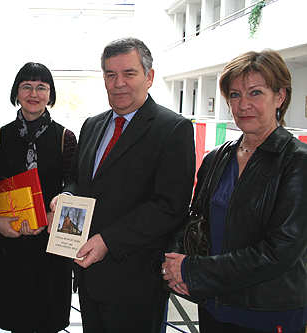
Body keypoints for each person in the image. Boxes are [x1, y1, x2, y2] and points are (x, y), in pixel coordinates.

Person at [50, 37, 196, 332]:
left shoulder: (173, 129)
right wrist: (66, 197)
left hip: (136, 284)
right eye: (110, 74)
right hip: (89, 278)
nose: (119, 83)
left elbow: (170, 207)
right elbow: (79, 179)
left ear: (149, 77)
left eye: (129, 73)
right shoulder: (92, 124)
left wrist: (108, 241)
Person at [162, 49, 307, 333]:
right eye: (235, 95)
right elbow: (195, 221)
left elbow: (279, 251)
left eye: (255, 93)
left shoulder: (298, 161)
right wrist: (175, 262)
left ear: (280, 97)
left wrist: (193, 270)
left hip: (267, 311)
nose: (243, 105)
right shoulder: (217, 157)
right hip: (214, 304)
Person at [0, 62, 77, 332]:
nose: (34, 93)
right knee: (16, 317)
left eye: (41, 87)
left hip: (51, 242)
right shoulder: (1, 137)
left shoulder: (65, 137)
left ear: (50, 95)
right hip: (11, 239)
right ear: (16, 92)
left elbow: (73, 184)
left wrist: (55, 211)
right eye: (26, 86)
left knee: (49, 317)